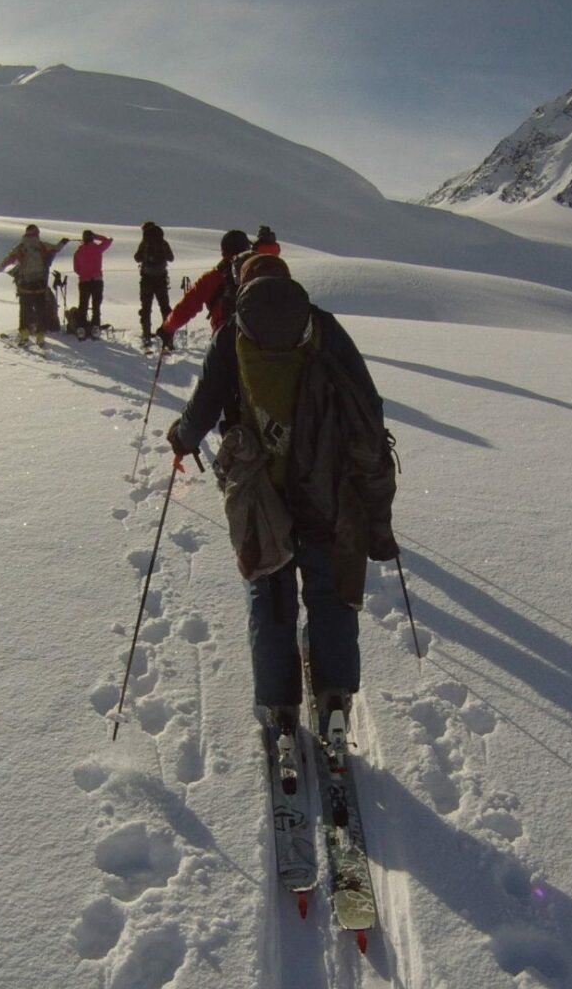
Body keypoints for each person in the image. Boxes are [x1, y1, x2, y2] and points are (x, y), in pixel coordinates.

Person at [165, 255, 398, 744]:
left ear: (243, 286)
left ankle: (279, 707)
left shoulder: (232, 332)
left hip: (259, 490)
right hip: (326, 485)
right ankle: (334, 698)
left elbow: (204, 404)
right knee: (331, 591)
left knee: (270, 593)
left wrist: (182, 438)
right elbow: (367, 403)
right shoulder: (322, 326)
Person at [0, 224, 71, 347]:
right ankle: (40, 336)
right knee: (41, 311)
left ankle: (24, 335)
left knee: (25, 311)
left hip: (25, 285)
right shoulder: (42, 246)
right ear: (37, 233)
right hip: (40, 285)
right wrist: (63, 242)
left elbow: (5, 262)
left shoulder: (20, 248)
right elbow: (56, 249)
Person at [134, 221, 174, 349]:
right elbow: (171, 258)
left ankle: (146, 336)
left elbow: (137, 258)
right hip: (161, 279)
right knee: (165, 307)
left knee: (146, 308)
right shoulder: (163, 243)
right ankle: (168, 337)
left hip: (146, 279)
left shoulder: (145, 243)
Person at [72, 229, 113, 335]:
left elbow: (76, 269)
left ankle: (82, 327)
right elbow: (109, 240)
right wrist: (97, 236)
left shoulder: (78, 252)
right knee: (96, 305)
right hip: (97, 280)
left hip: (84, 281)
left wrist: (83, 273)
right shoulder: (97, 249)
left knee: (83, 305)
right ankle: (95, 327)